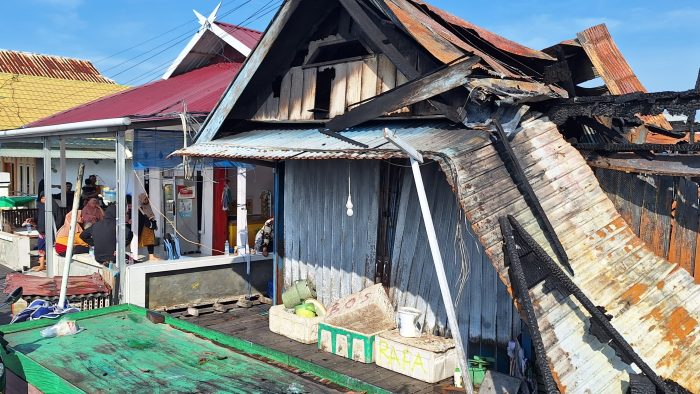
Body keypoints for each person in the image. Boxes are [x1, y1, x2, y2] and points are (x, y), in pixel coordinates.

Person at [23, 192, 59, 271]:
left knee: (50, 249)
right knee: (41, 248)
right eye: (42, 198)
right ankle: (42, 265)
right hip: (41, 232)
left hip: (51, 232)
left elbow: (58, 218)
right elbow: (37, 218)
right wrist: (31, 220)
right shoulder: (40, 207)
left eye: (45, 198)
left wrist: (56, 230)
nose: (44, 199)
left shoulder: (53, 205)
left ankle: (50, 266)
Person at [137, 193, 159, 261]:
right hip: (144, 227)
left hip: (150, 226)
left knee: (151, 241)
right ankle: (133, 256)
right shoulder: (140, 208)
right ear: (141, 200)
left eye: (147, 198)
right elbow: (142, 218)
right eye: (145, 199)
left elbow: (151, 216)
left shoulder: (148, 206)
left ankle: (151, 256)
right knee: (139, 241)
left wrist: (153, 224)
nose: (147, 200)